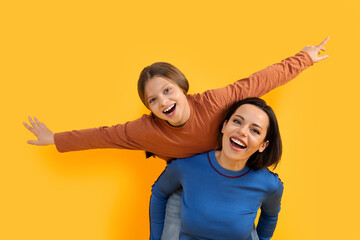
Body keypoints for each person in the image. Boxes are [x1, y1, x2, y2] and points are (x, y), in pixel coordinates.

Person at [23, 38, 328, 239]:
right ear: (150, 108)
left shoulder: (215, 103)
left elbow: (259, 81)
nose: (162, 101)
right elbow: (103, 135)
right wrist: (55, 139)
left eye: (167, 90)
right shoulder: (145, 131)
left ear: (183, 88)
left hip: (231, 182)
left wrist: (305, 58)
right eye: (153, 100)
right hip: (189, 185)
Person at [150, 97, 283, 240]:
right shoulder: (187, 166)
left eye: (255, 131)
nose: (243, 131)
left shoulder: (269, 184)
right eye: (237, 121)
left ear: (263, 145)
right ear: (224, 126)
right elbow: (159, 193)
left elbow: (270, 215)